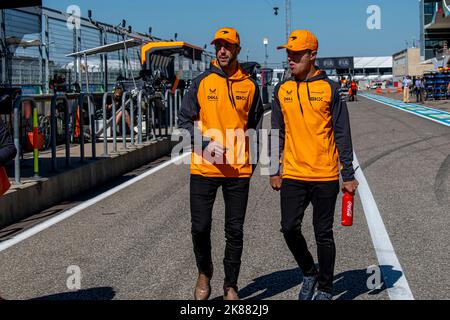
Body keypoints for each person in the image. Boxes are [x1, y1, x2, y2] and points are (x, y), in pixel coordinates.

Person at [270, 30, 359, 300]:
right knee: (288, 227)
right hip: (294, 173)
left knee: (323, 233)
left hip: (324, 174)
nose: (290, 58)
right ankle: (309, 271)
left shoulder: (329, 88)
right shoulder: (281, 89)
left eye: (296, 54)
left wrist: (348, 173)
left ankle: (326, 287)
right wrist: (274, 168)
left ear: (312, 55)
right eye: (288, 54)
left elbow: (342, 132)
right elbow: (276, 131)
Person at [178, 27, 264, 301]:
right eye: (219, 46)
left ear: (237, 49)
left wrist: (252, 158)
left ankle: (231, 285)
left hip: (238, 171)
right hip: (204, 168)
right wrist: (204, 144)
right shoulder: (201, 82)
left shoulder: (250, 86)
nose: (223, 50)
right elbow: (183, 124)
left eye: (228, 46)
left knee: (234, 230)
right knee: (200, 227)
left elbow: (255, 124)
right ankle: (205, 272)